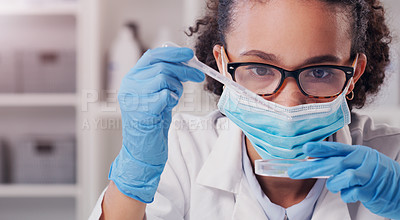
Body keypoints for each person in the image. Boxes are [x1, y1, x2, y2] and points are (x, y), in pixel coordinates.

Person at [90, 0, 400, 219]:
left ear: (354, 74)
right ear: (224, 65)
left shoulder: (393, 159)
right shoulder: (181, 153)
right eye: (261, 70)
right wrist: (133, 176)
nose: (288, 103)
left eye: (319, 72)